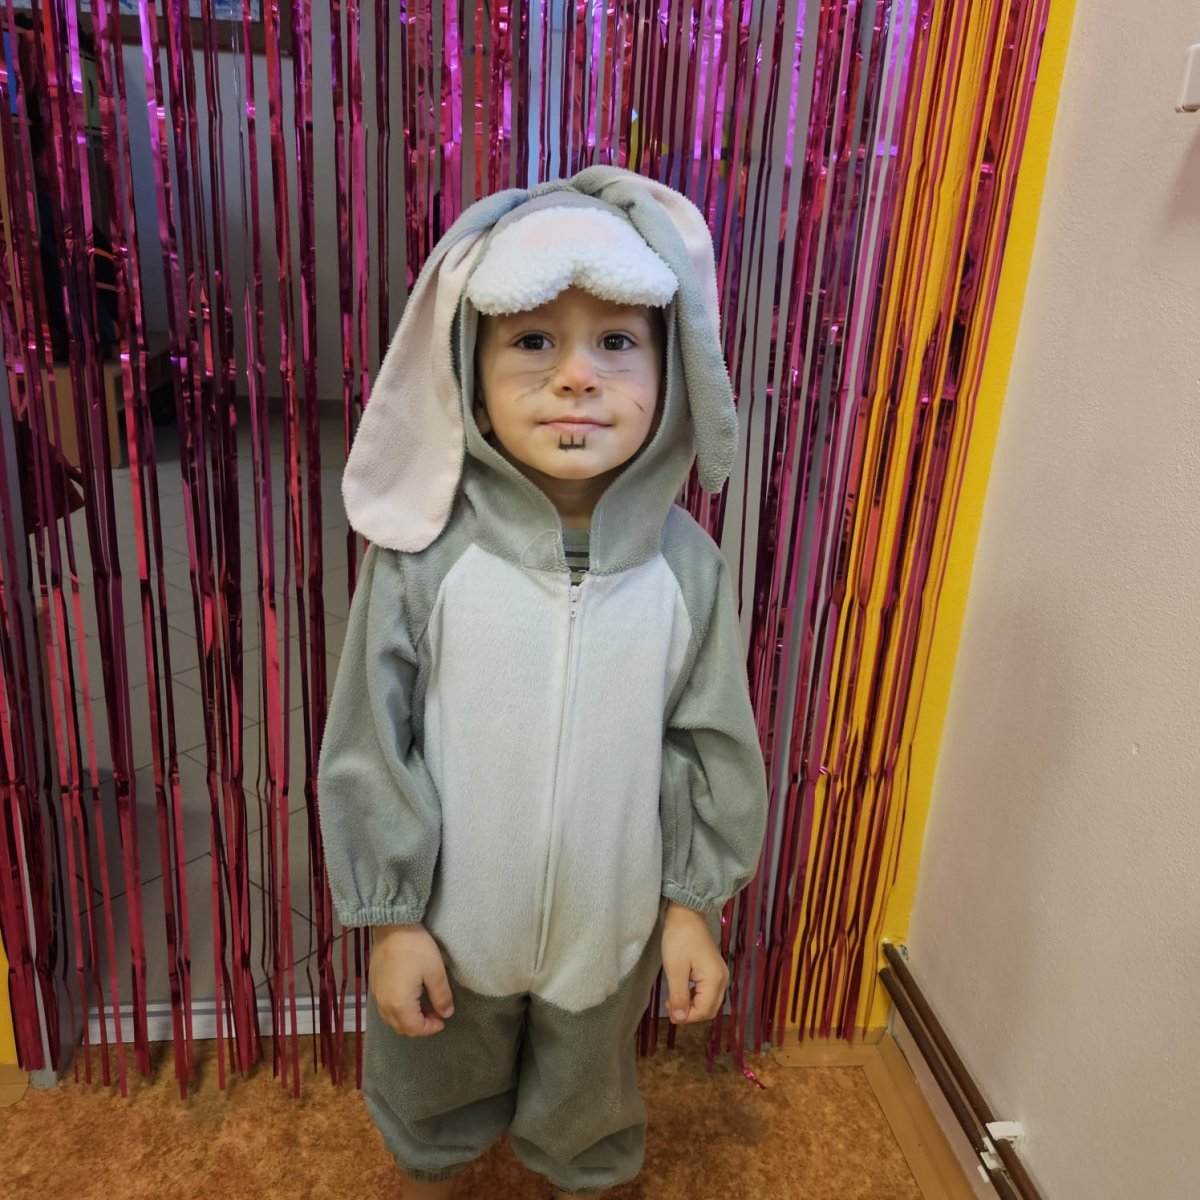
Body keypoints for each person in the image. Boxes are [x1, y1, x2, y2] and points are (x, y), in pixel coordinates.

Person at [317, 166, 769, 1198]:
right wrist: (392, 917)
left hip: (608, 932)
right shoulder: (423, 557)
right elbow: (372, 740)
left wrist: (693, 908)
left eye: (615, 342)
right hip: (450, 925)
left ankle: (585, 1169)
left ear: (670, 368)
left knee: (587, 1109)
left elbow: (709, 744)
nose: (576, 378)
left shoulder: (686, 567)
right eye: (532, 341)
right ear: (468, 370)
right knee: (431, 1093)